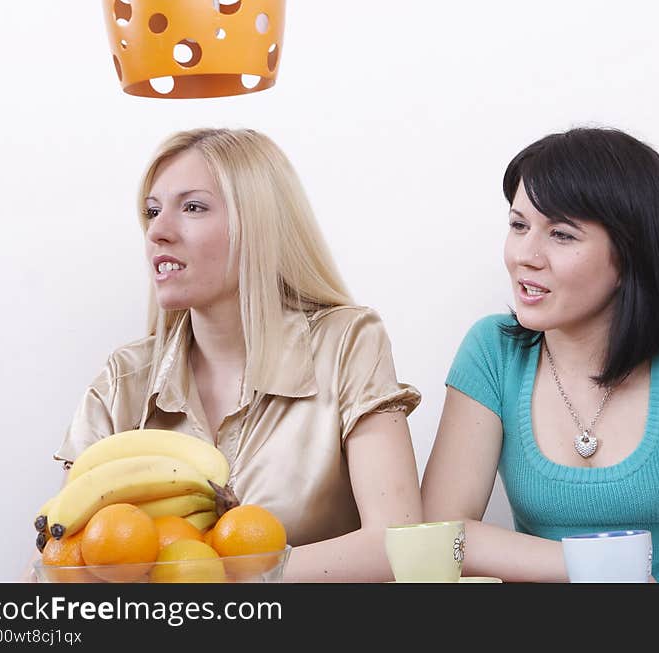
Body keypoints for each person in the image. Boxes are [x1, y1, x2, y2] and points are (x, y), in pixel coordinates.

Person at [37, 128, 423, 582]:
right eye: (153, 211)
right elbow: (60, 562)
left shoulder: (347, 343)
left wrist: (233, 585)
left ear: (257, 224)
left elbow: (400, 542)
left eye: (193, 207)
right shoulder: (123, 381)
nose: (158, 231)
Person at [420, 127, 659, 582]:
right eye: (519, 226)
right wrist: (602, 570)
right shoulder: (493, 351)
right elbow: (435, 541)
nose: (525, 256)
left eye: (561, 234)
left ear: (630, 256)